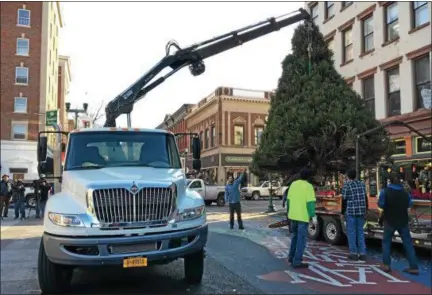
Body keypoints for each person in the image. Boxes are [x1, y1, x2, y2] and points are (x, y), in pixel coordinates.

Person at [378, 172, 419, 275]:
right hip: (403, 220)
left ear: (390, 181)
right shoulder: (406, 193)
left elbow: (381, 205)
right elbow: (410, 204)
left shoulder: (385, 191)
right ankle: (413, 267)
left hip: (389, 220)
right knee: (408, 243)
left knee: (386, 242)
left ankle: (386, 265)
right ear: (400, 181)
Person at [287, 168, 317, 269]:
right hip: (302, 217)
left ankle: (291, 257)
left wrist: (288, 214)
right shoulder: (308, 187)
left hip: (293, 216)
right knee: (301, 240)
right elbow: (310, 204)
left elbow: (289, 201)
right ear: (309, 177)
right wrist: (313, 216)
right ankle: (297, 261)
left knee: (294, 237)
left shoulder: (293, 184)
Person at [341, 169, 368, 261]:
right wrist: (366, 210)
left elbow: (344, 200)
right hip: (361, 211)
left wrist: (342, 212)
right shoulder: (362, 184)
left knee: (351, 232)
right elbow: (365, 198)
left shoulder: (346, 185)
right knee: (360, 232)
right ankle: (363, 253)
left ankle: (353, 253)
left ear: (348, 176)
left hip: (351, 212)